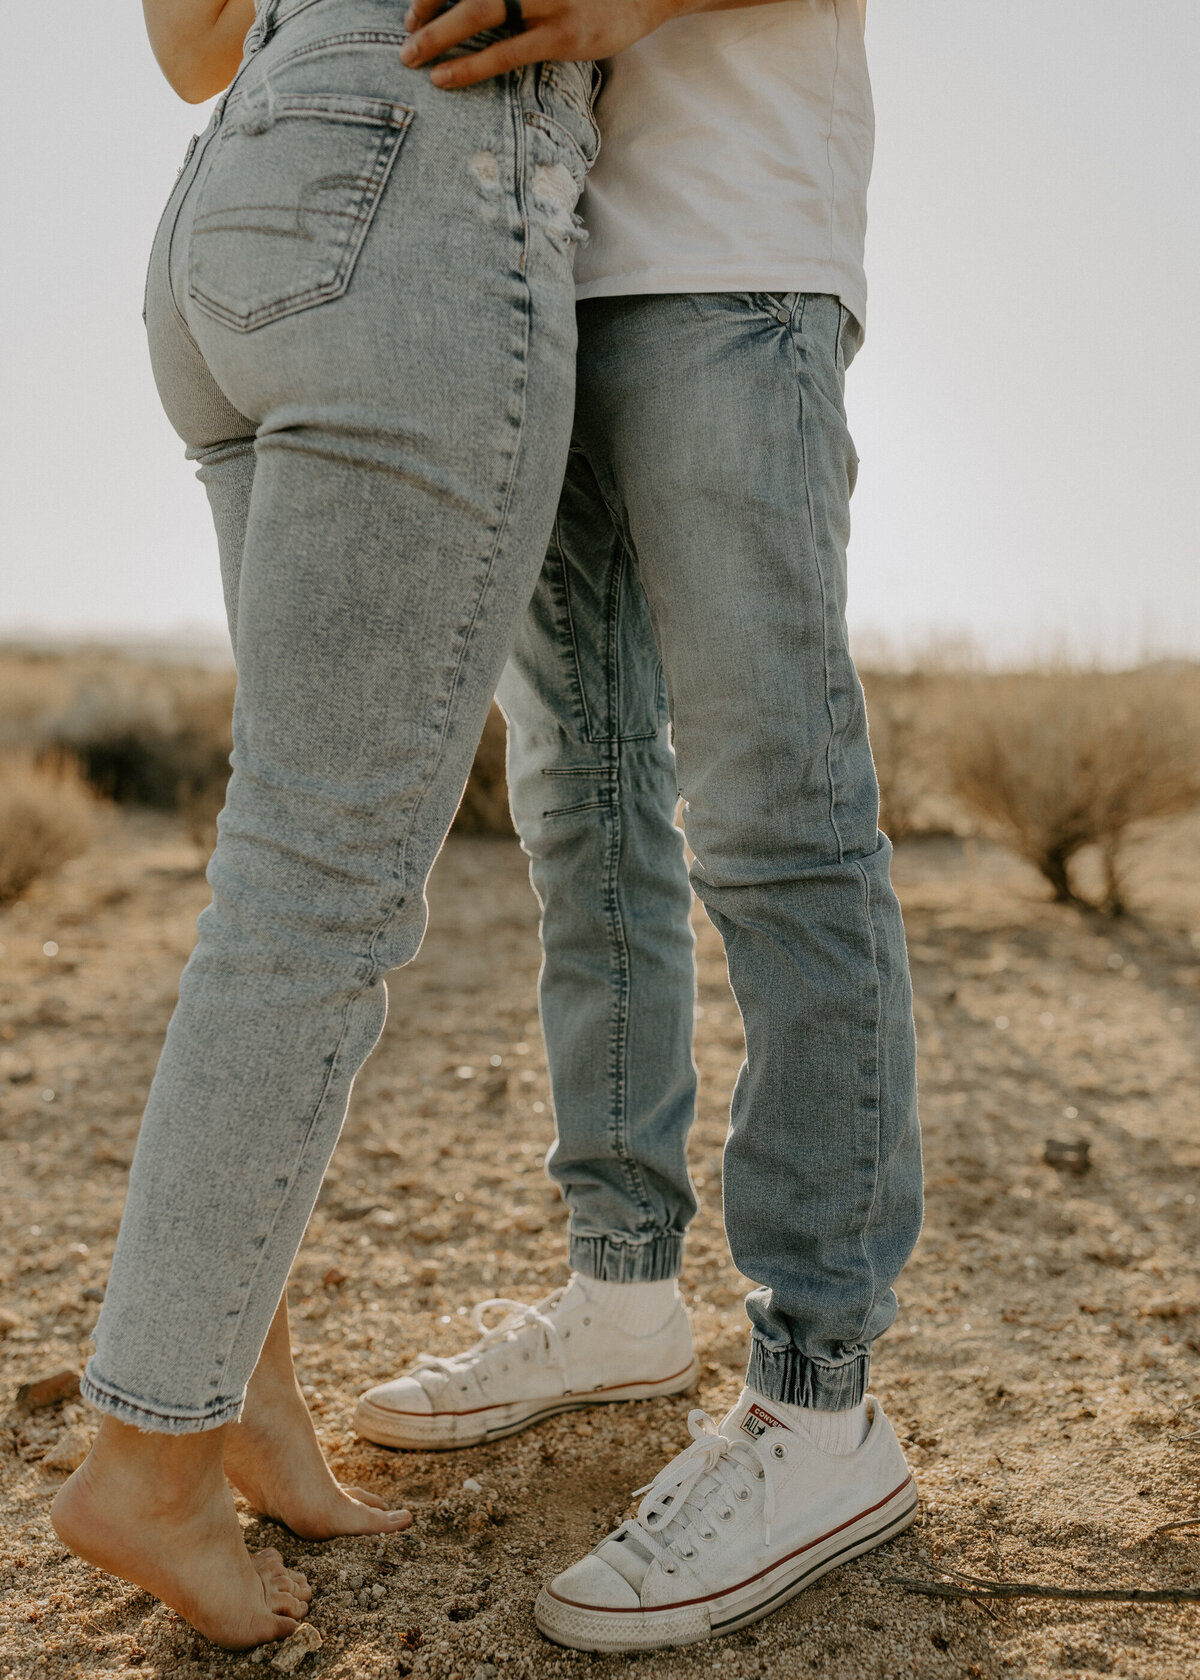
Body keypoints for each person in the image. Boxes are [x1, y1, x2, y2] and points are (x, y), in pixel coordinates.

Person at [356, 0, 925, 1653]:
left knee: (776, 823)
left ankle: (824, 1411)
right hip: (520, 276)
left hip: (733, 264)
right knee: (581, 805)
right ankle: (619, 1297)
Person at [50, 0, 602, 1649]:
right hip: (426, 184)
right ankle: (148, 1462)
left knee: (279, 871)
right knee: (316, 894)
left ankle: (240, 1402)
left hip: (233, 206)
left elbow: (190, 45)